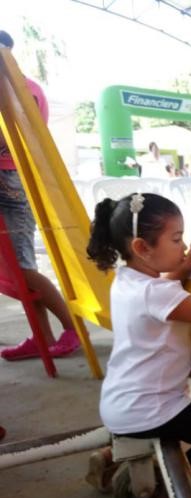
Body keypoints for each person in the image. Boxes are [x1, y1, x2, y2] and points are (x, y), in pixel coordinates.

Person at [84, 192, 191, 490]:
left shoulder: (127, 281)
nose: (184, 246)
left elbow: (161, 290)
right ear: (142, 247)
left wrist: (184, 267)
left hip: (120, 403)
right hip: (149, 409)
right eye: (176, 239)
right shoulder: (156, 293)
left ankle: (115, 454)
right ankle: (173, 474)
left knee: (179, 427)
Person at [0, 30, 81, 361]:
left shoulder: (22, 89)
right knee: (13, 270)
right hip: (11, 179)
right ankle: (42, 336)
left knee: (21, 266)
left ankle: (72, 329)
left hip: (11, 180)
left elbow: (14, 138)